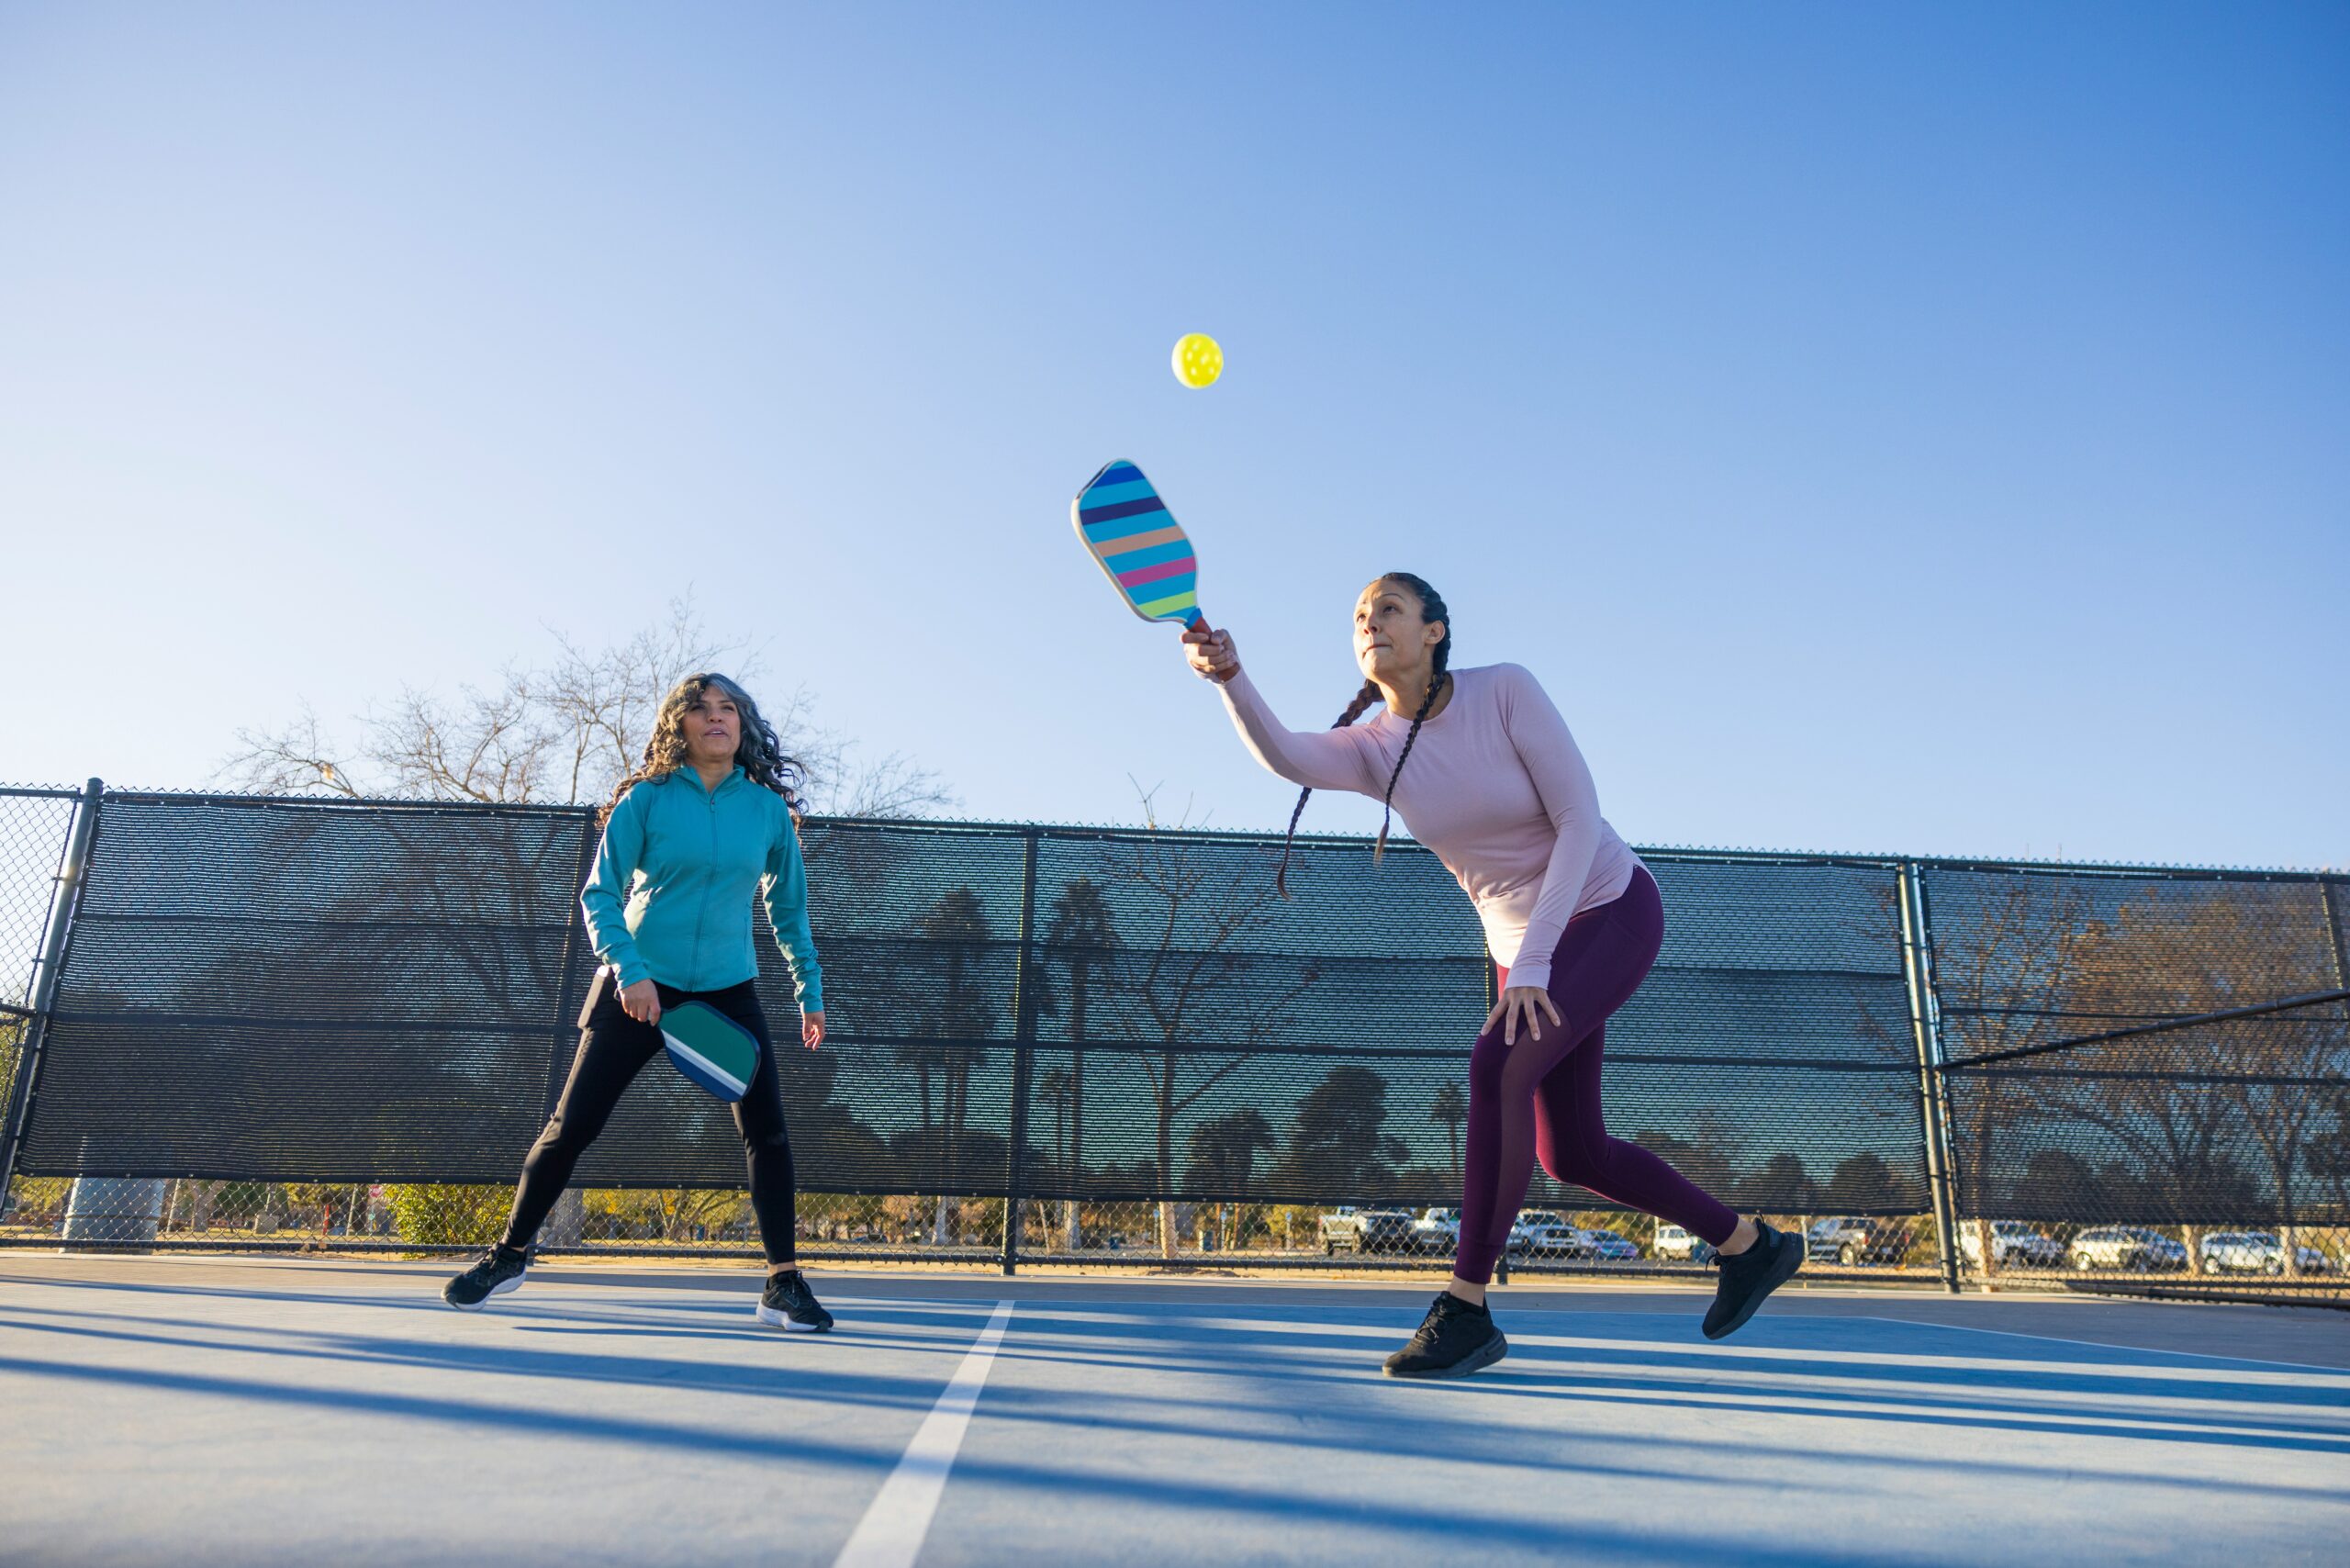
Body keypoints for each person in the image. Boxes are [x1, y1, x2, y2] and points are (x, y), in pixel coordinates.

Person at [1182, 575, 1800, 1378]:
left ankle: (1466, 1310)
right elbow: (1288, 754)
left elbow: (1580, 817)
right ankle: (1751, 1247)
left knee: (1495, 1064)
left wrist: (1534, 963)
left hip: (1607, 909)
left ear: (1436, 630)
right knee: (1571, 1154)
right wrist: (1232, 678)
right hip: (1528, 957)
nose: (1372, 623)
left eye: (1391, 609)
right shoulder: (1377, 748)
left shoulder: (1505, 691)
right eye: (1361, 617)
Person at [442, 673, 834, 1332]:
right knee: (571, 1129)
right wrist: (629, 972)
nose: (716, 718)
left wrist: (809, 991)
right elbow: (600, 894)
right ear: (678, 726)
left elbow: (788, 908)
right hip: (639, 988)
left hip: (727, 993)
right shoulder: (647, 802)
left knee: (767, 1132)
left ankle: (782, 1284)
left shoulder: (765, 811)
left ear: (744, 726)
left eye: (728, 709)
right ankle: (509, 1255)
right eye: (700, 709)